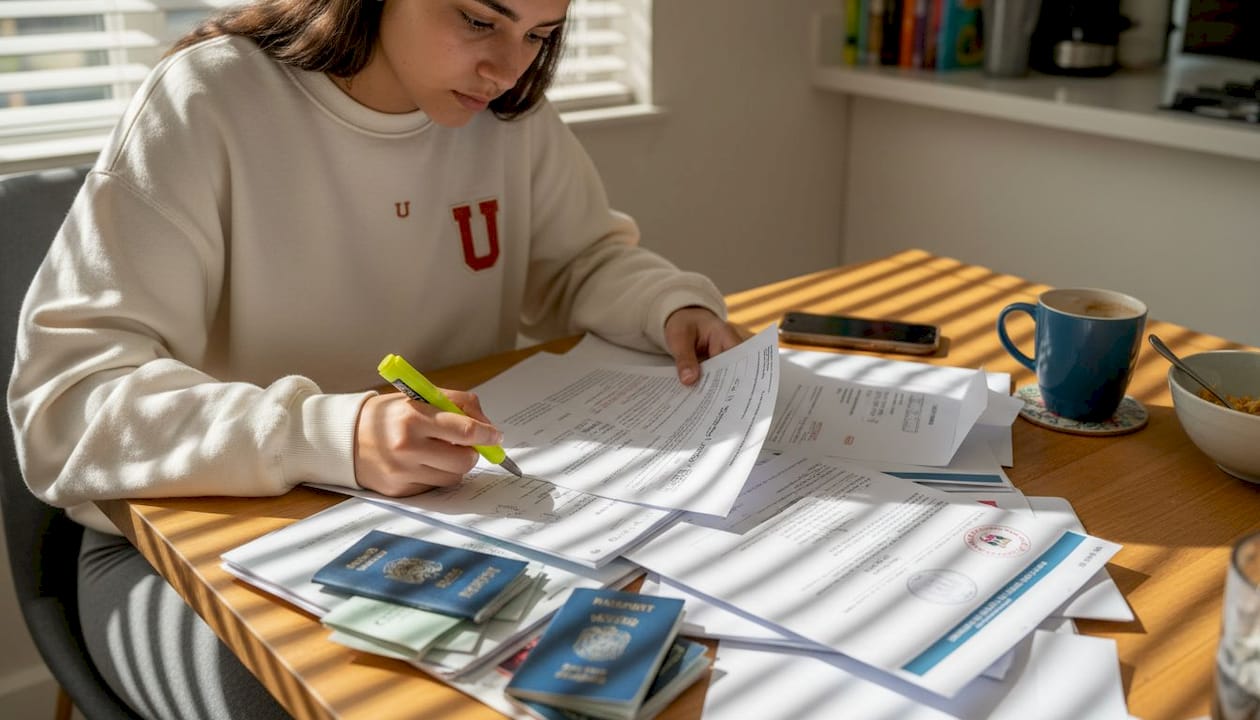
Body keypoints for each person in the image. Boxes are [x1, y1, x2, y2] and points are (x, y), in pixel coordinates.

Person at [6, 0, 742, 717]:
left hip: (444, 522)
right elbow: (66, 405)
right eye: (480, 21)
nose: (509, 69)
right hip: (192, 548)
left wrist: (668, 305)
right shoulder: (210, 99)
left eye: (539, 34)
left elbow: (581, 260)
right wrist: (334, 435)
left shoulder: (507, 115)